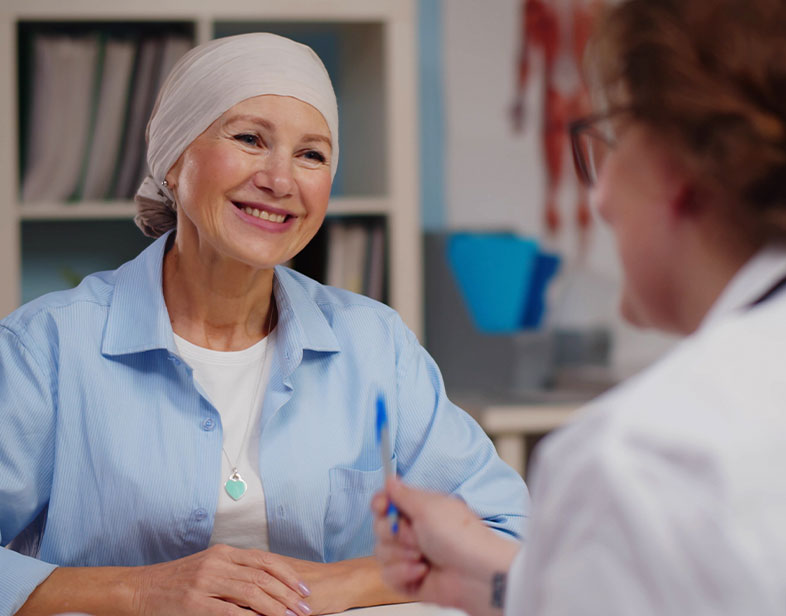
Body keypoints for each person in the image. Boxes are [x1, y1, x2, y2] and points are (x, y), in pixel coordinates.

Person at [0, 33, 528, 615]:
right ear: (174, 161)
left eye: (312, 154)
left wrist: (347, 583)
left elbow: (507, 533)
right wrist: (141, 591)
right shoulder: (44, 349)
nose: (281, 181)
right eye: (250, 139)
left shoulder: (375, 347)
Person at [373, 0, 786, 614]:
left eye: (616, 140)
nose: (603, 196)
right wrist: (509, 582)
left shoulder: (637, 461)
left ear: (681, 167)